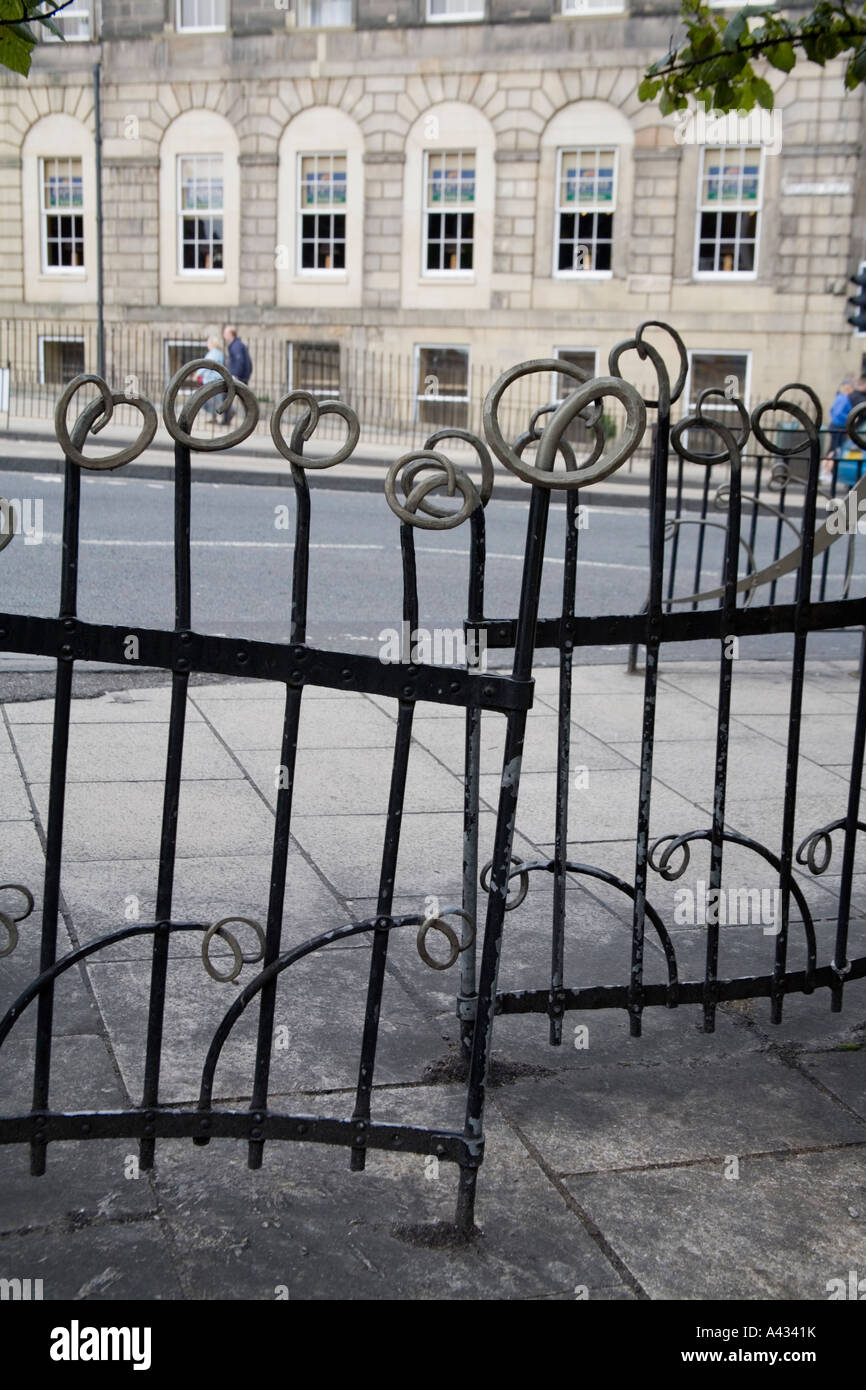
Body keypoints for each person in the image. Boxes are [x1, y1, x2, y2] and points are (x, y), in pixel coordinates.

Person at [220, 325, 252, 424]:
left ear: (230, 334)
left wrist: (234, 375)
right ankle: (249, 418)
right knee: (244, 398)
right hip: (242, 376)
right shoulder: (237, 344)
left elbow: (239, 361)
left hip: (238, 376)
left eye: (225, 333)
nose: (224, 335)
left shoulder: (236, 345)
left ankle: (227, 420)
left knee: (227, 396)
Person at [197, 335, 227, 421]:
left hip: (211, 380)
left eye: (208, 342)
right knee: (214, 400)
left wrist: (198, 373)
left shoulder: (213, 353)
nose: (207, 344)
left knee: (212, 400)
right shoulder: (219, 353)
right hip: (216, 379)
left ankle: (220, 415)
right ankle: (214, 417)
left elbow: (206, 364)